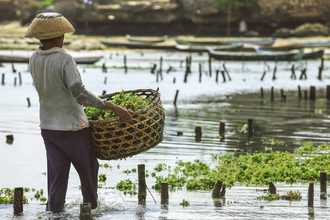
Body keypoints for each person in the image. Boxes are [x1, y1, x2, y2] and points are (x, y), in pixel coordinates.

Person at [25, 12, 133, 213]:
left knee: (57, 177)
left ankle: (54, 213)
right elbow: (80, 94)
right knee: (89, 172)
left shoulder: (33, 58)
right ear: (59, 37)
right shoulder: (64, 59)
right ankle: (90, 210)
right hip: (73, 128)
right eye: (63, 35)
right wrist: (112, 106)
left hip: (48, 128)